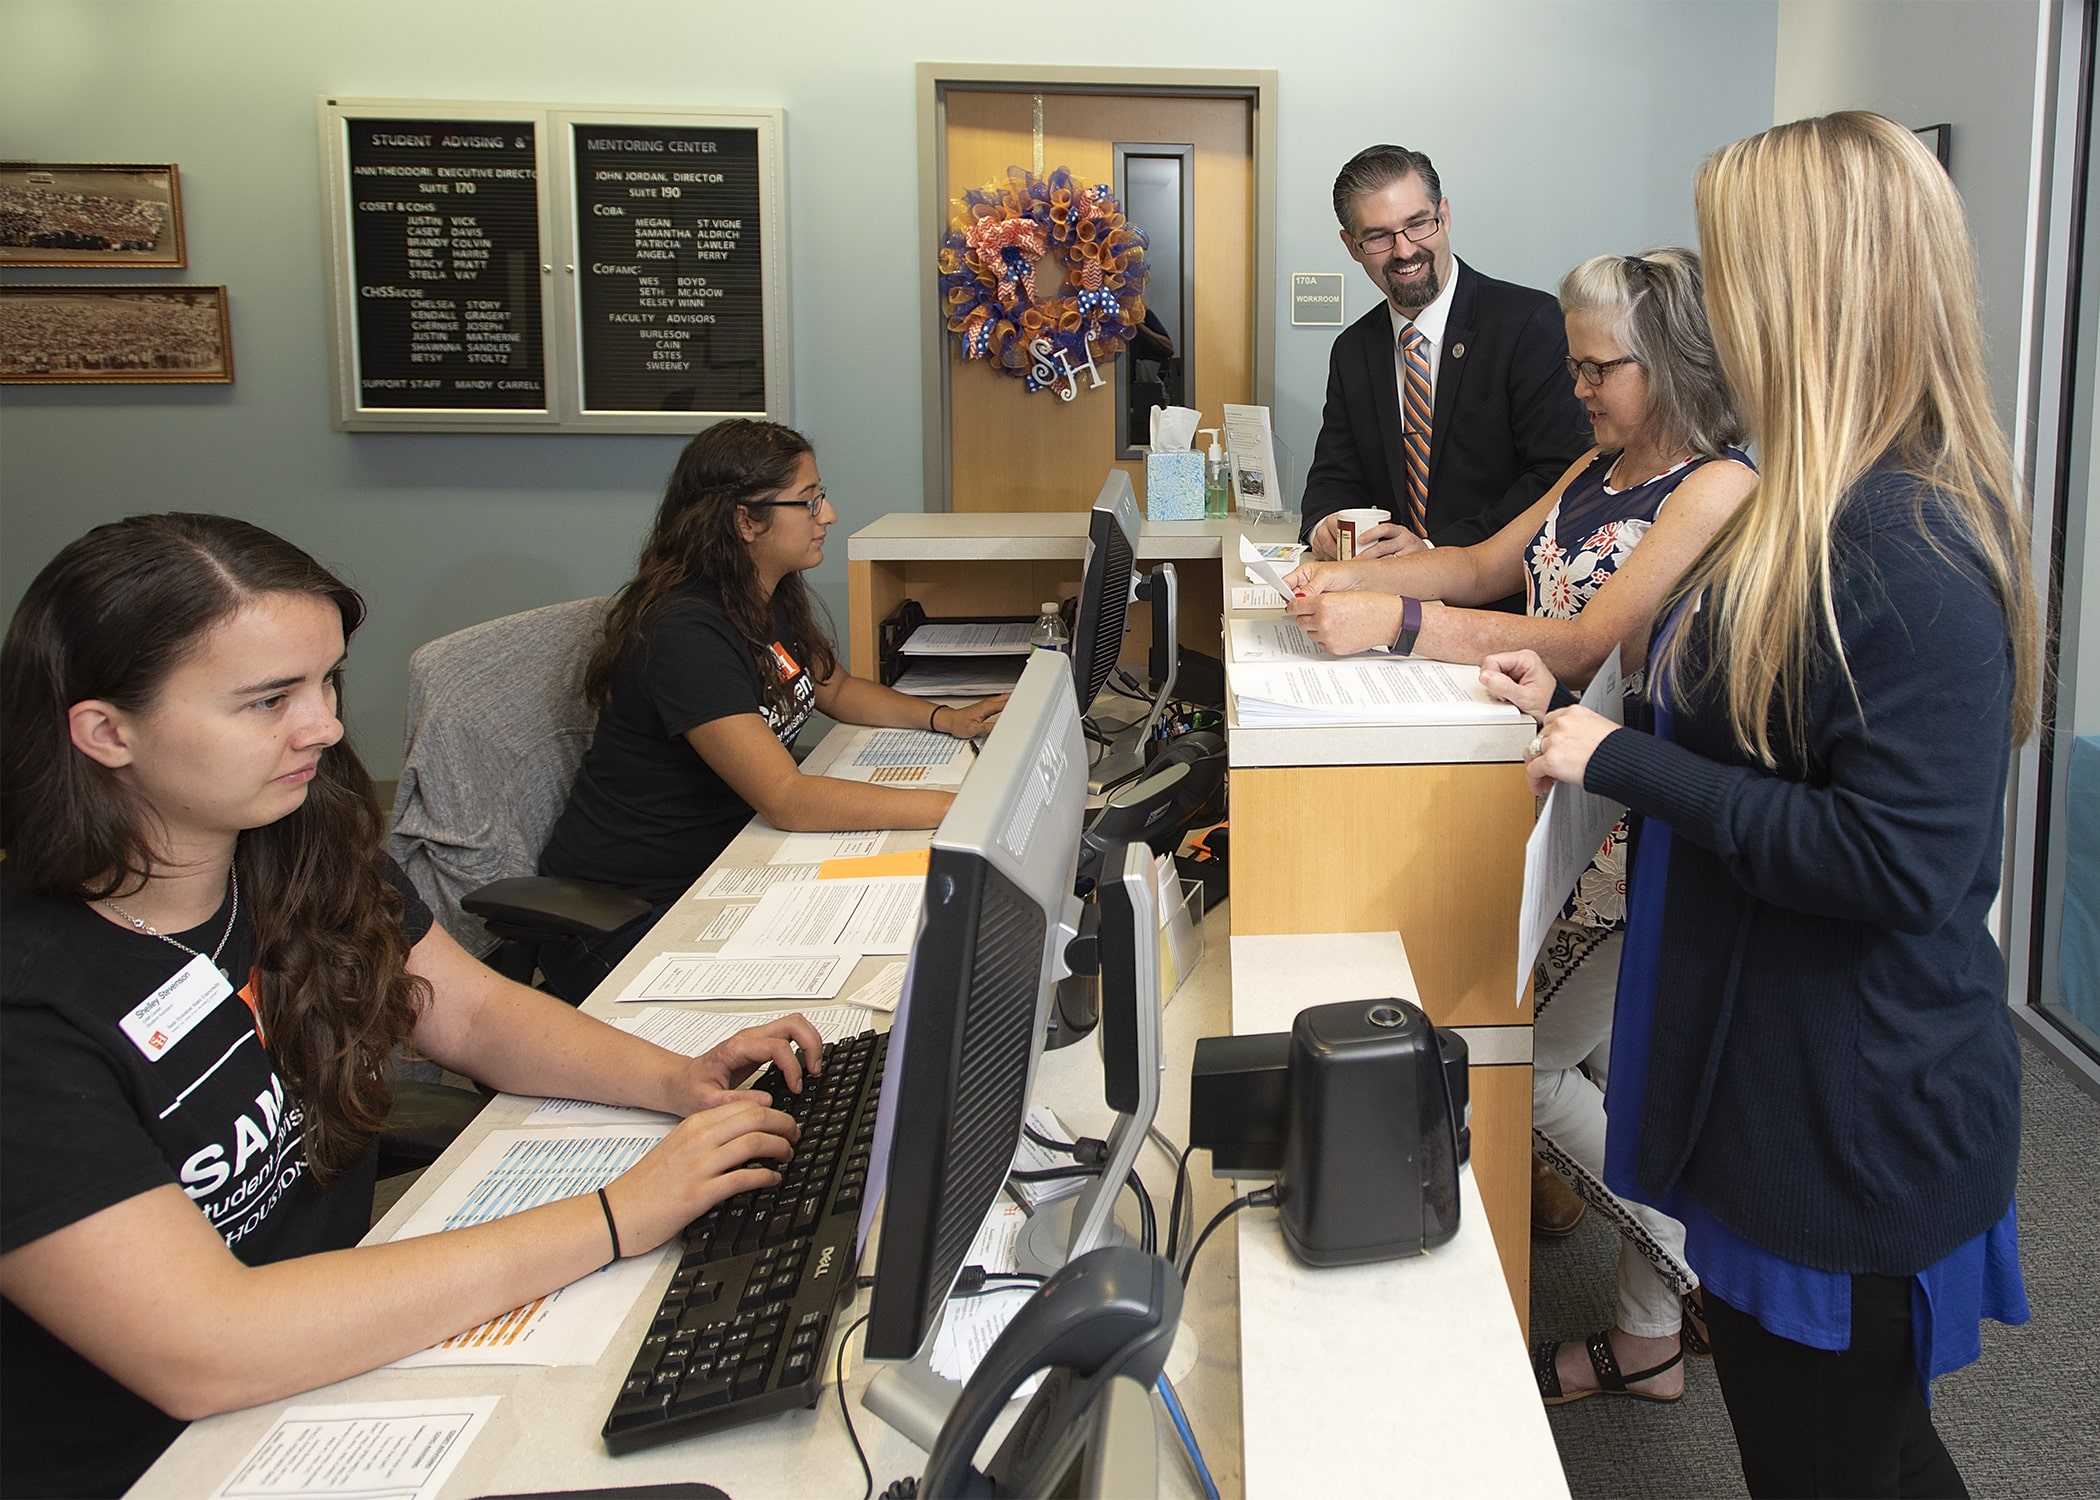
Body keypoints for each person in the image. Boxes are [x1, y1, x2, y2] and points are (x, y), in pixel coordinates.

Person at [0, 514, 821, 1498]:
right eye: (268, 701)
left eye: (326, 683)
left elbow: (466, 1013)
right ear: (104, 732)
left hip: (338, 1357)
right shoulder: (31, 997)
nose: (326, 727)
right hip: (169, 1460)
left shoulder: (292, 845)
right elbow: (204, 1344)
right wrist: (616, 1216)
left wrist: (674, 1077)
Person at [1493, 112, 2037, 1496]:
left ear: (1808, 291)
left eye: (1730, 274)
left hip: (1842, 1125)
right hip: (1770, 1091)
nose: (1707, 313)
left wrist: (1620, 761)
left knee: (1844, 1465)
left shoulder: (1905, 542)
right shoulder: (1810, 500)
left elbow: (1897, 863)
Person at [1285, 248, 1757, 1403]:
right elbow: (1493, 565)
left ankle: (1686, 1277)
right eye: (1576, 365)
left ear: (1674, 360)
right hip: (1553, 800)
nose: (1581, 389)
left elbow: (1590, 639)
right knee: (1577, 1058)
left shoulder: (1718, 485)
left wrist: (1399, 624)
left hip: (1628, 829)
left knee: (1521, 1061)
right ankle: (1659, 1314)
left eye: (1602, 368)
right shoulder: (1604, 461)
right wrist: (1342, 585)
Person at [538, 419, 1005, 1001]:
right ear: (744, 520)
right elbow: (788, 799)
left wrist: (945, 718)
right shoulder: (685, 630)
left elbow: (831, 687)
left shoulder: (762, 589)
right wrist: (961, 807)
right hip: (632, 911)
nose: (828, 515)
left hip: (730, 862)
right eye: (809, 501)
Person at [1298, 144, 1591, 592]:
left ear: (1445, 215)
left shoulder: (1530, 324)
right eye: (1378, 236)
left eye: (1418, 224)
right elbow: (1335, 475)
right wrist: (1324, 523)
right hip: (1383, 611)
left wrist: (1432, 552)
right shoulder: (1353, 349)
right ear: (1350, 246)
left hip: (1504, 606)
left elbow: (1556, 479)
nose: (1404, 250)